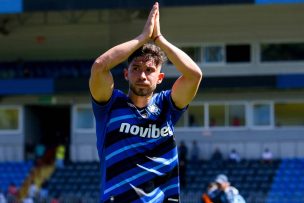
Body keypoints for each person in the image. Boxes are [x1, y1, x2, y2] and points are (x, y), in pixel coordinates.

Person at [89, 2, 202, 202]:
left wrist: (159, 39)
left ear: (159, 78)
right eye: (136, 68)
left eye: (149, 70)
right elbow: (100, 66)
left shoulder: (167, 105)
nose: (142, 75)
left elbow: (194, 75)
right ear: (126, 74)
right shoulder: (110, 104)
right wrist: (142, 38)